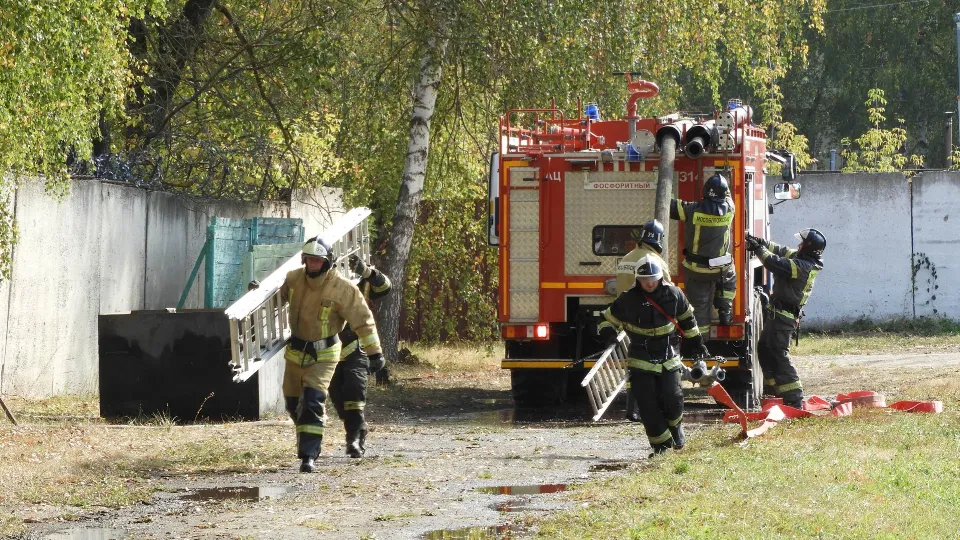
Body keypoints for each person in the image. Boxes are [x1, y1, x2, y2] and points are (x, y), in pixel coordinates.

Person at [280, 236, 382, 473]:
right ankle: (308, 437)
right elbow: (276, 298)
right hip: (295, 352)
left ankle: (308, 456)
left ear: (327, 262)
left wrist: (375, 353)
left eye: (318, 260)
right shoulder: (294, 279)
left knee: (313, 401)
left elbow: (364, 322)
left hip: (324, 353)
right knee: (293, 403)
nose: (313, 265)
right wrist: (257, 291)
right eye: (309, 260)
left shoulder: (343, 288)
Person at [597, 255, 709, 456]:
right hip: (641, 359)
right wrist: (608, 333)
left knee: (673, 398)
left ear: (660, 277)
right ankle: (661, 447)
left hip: (669, 356)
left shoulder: (674, 294)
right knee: (648, 406)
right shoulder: (627, 299)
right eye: (644, 279)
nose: (649, 283)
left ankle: (676, 430)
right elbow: (606, 320)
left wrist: (697, 344)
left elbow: (688, 320)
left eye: (653, 278)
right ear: (637, 279)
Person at [745, 228, 825, 409]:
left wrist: (758, 249)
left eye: (802, 243)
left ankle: (795, 399)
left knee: (779, 354)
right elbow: (781, 250)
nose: (798, 245)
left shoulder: (803, 267)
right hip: (778, 314)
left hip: (784, 318)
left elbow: (775, 263)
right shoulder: (803, 258)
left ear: (808, 247)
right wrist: (761, 242)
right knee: (764, 349)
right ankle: (774, 391)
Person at [328, 254, 391, 458]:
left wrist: (367, 272)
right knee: (338, 397)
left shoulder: (361, 277)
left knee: (354, 390)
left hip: (356, 345)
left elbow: (385, 287)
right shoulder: (320, 279)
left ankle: (354, 439)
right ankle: (356, 428)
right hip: (329, 348)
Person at [613, 219, 672, 422]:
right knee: (653, 366)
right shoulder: (654, 261)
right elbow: (668, 292)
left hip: (626, 319)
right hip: (648, 321)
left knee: (634, 364)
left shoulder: (627, 258)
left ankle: (633, 408)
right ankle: (647, 406)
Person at [670, 173, 737, 336]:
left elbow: (670, 207)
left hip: (696, 270)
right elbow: (728, 196)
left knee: (699, 308)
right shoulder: (730, 208)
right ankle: (725, 308)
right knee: (730, 274)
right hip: (720, 267)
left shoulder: (692, 210)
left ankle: (700, 344)